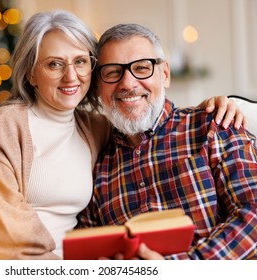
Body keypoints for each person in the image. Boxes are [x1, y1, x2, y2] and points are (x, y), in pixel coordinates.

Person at [0, 10, 245, 260]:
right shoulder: (12, 124)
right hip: (21, 263)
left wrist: (211, 108)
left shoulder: (101, 128)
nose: (70, 75)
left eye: (80, 62)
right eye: (54, 64)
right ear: (31, 73)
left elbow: (145, 114)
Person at [77, 23, 257, 260]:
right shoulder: (96, 165)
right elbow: (88, 250)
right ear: (99, 86)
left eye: (142, 68)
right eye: (112, 72)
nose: (128, 83)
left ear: (165, 75)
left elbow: (253, 214)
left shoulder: (213, 126)